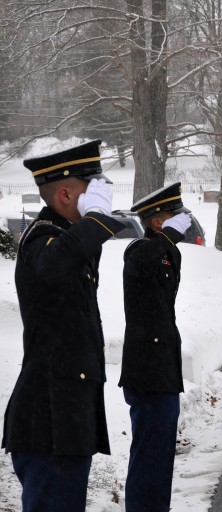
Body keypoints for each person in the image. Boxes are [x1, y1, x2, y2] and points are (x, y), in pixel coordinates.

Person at [1, 139, 125, 512]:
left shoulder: (65, 241)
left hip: (66, 422)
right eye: (93, 189)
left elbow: (77, 255)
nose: (102, 196)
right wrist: (95, 220)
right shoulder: (42, 240)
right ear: (67, 194)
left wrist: (91, 223)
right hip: (48, 423)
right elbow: (57, 264)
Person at [118, 182, 192, 512]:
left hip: (164, 369)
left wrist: (168, 242)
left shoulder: (169, 253)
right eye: (174, 215)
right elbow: (140, 264)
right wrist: (166, 238)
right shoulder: (138, 250)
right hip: (146, 371)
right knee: (148, 455)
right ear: (158, 222)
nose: (182, 221)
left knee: (161, 457)